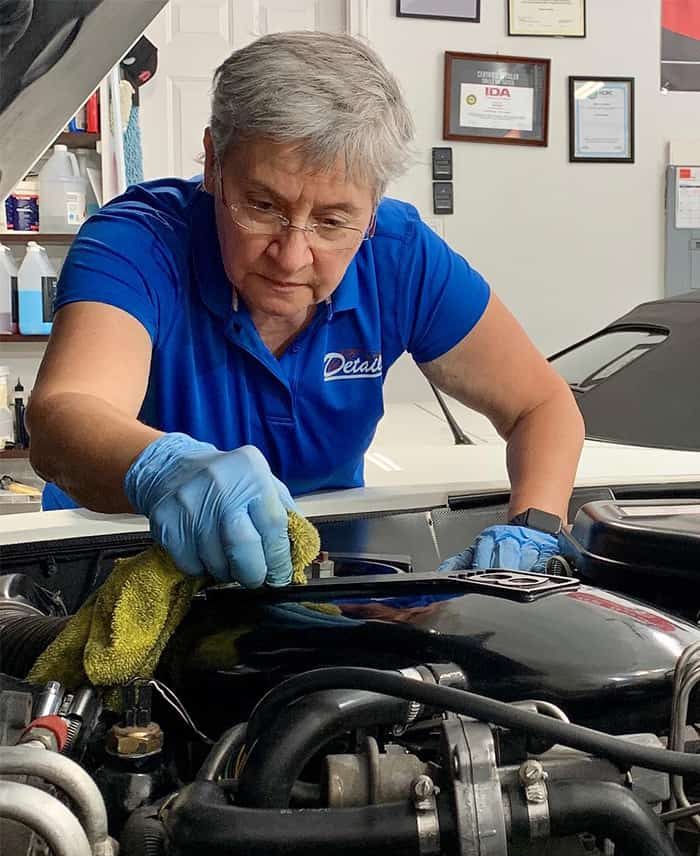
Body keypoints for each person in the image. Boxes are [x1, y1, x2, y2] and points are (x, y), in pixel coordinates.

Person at [27, 31, 584, 588]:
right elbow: (64, 416)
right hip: (121, 569)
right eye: (263, 206)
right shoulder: (139, 242)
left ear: (373, 208)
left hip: (317, 580)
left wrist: (533, 526)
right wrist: (161, 468)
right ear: (215, 164)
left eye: (334, 221)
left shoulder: (399, 255)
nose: (292, 256)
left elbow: (540, 405)